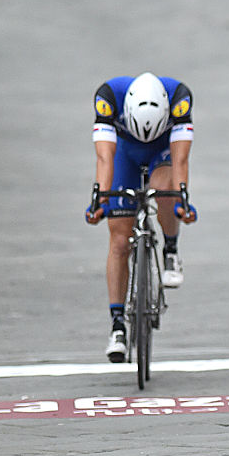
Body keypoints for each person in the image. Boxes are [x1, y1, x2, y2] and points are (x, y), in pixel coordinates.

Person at [84, 72, 197, 362]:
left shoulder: (179, 98)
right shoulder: (108, 97)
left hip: (162, 153)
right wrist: (99, 197)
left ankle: (170, 249)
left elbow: (181, 159)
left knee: (163, 190)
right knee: (120, 241)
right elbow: (105, 158)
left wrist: (183, 199)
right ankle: (118, 325)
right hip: (125, 155)